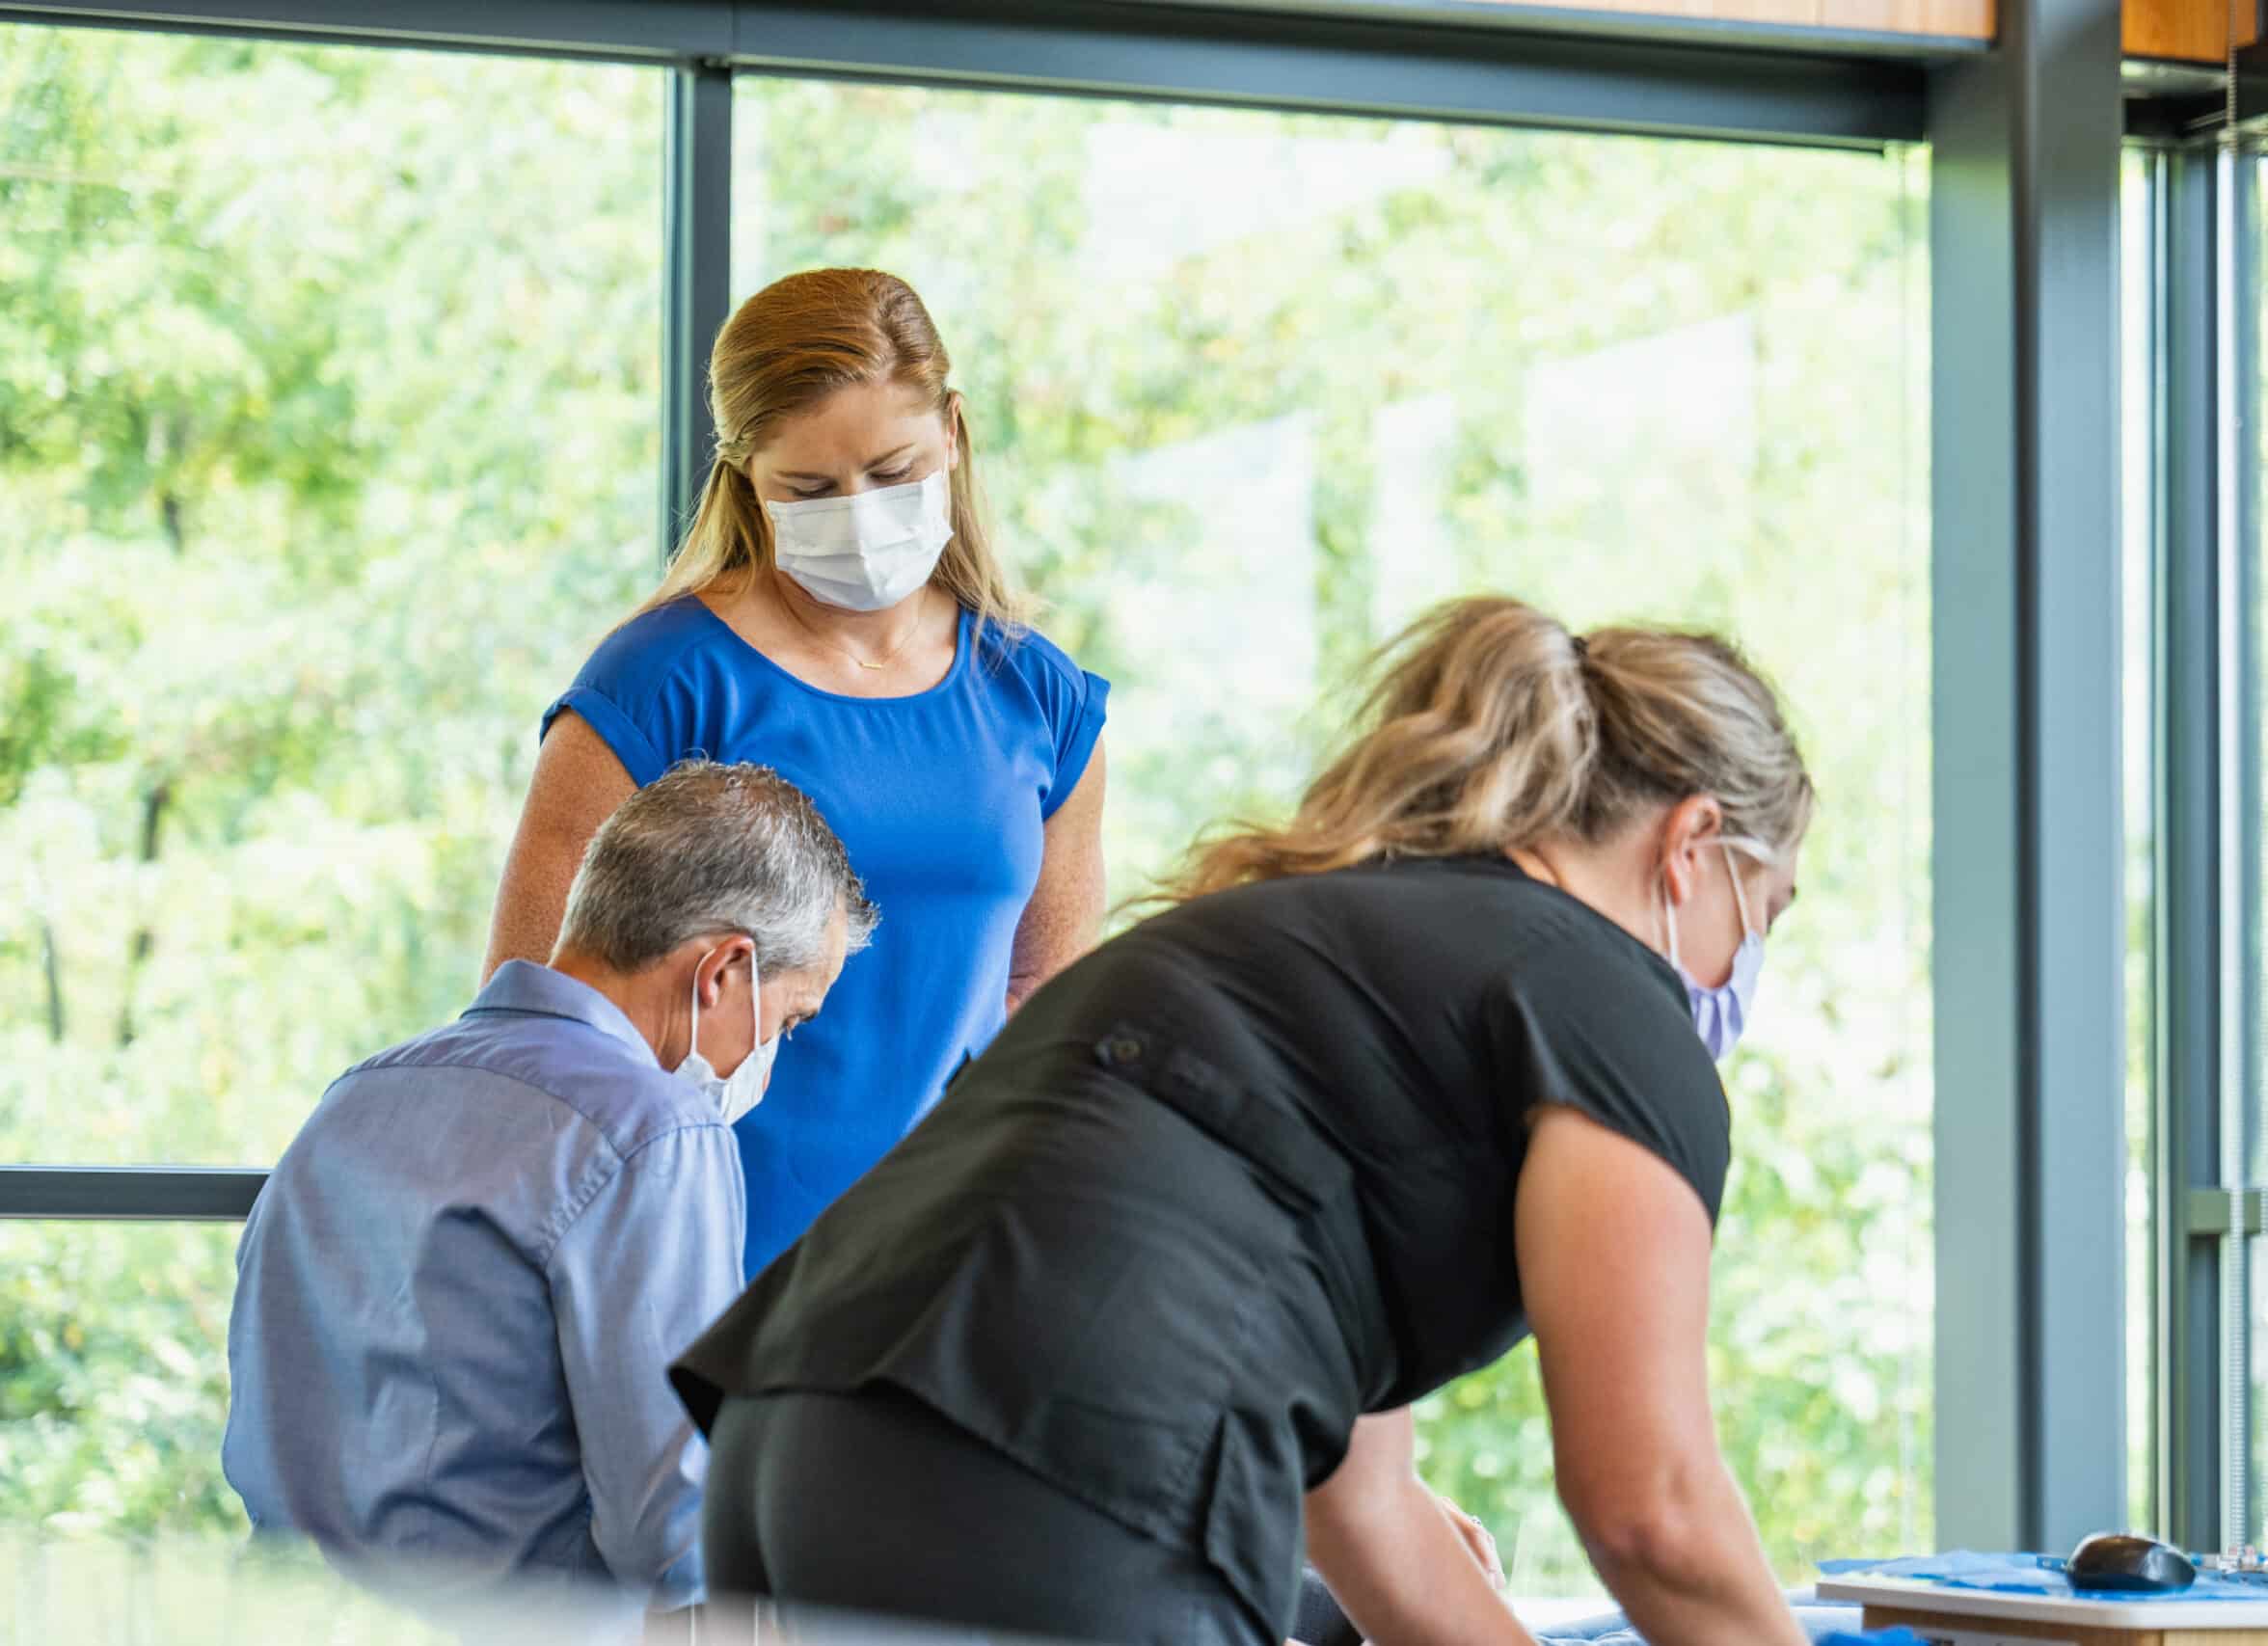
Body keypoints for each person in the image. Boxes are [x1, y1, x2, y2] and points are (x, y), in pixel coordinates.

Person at [672, 597, 1815, 1646]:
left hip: (795, 1437)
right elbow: (1650, 1508)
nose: (1740, 968)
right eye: (1762, 912)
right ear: (1690, 847)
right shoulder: (1614, 1005)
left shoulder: (1313, 941)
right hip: (1061, 1457)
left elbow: (1364, 1510)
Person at [485, 268, 1108, 1276]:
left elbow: (1048, 1002)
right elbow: (529, 1020)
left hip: (951, 1271)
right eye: (809, 492)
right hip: (689, 1264)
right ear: (745, 479)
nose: (858, 516)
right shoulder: (664, 684)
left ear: (951, 431)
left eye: (892, 469)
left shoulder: (1039, 699)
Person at [225, 761, 875, 1618]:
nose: (770, 1054)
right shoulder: (658, 1129)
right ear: (723, 969)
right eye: (788, 1019)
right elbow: (676, 1533)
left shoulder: (357, 1095)